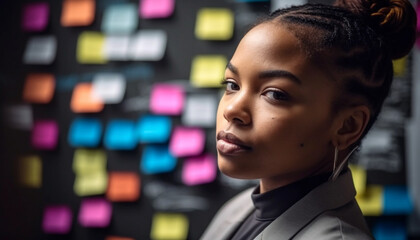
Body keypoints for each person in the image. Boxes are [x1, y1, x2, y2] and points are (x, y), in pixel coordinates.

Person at [200, 0, 417, 239]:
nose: (232, 110)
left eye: (275, 94)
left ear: (348, 126)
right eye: (232, 85)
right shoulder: (240, 207)